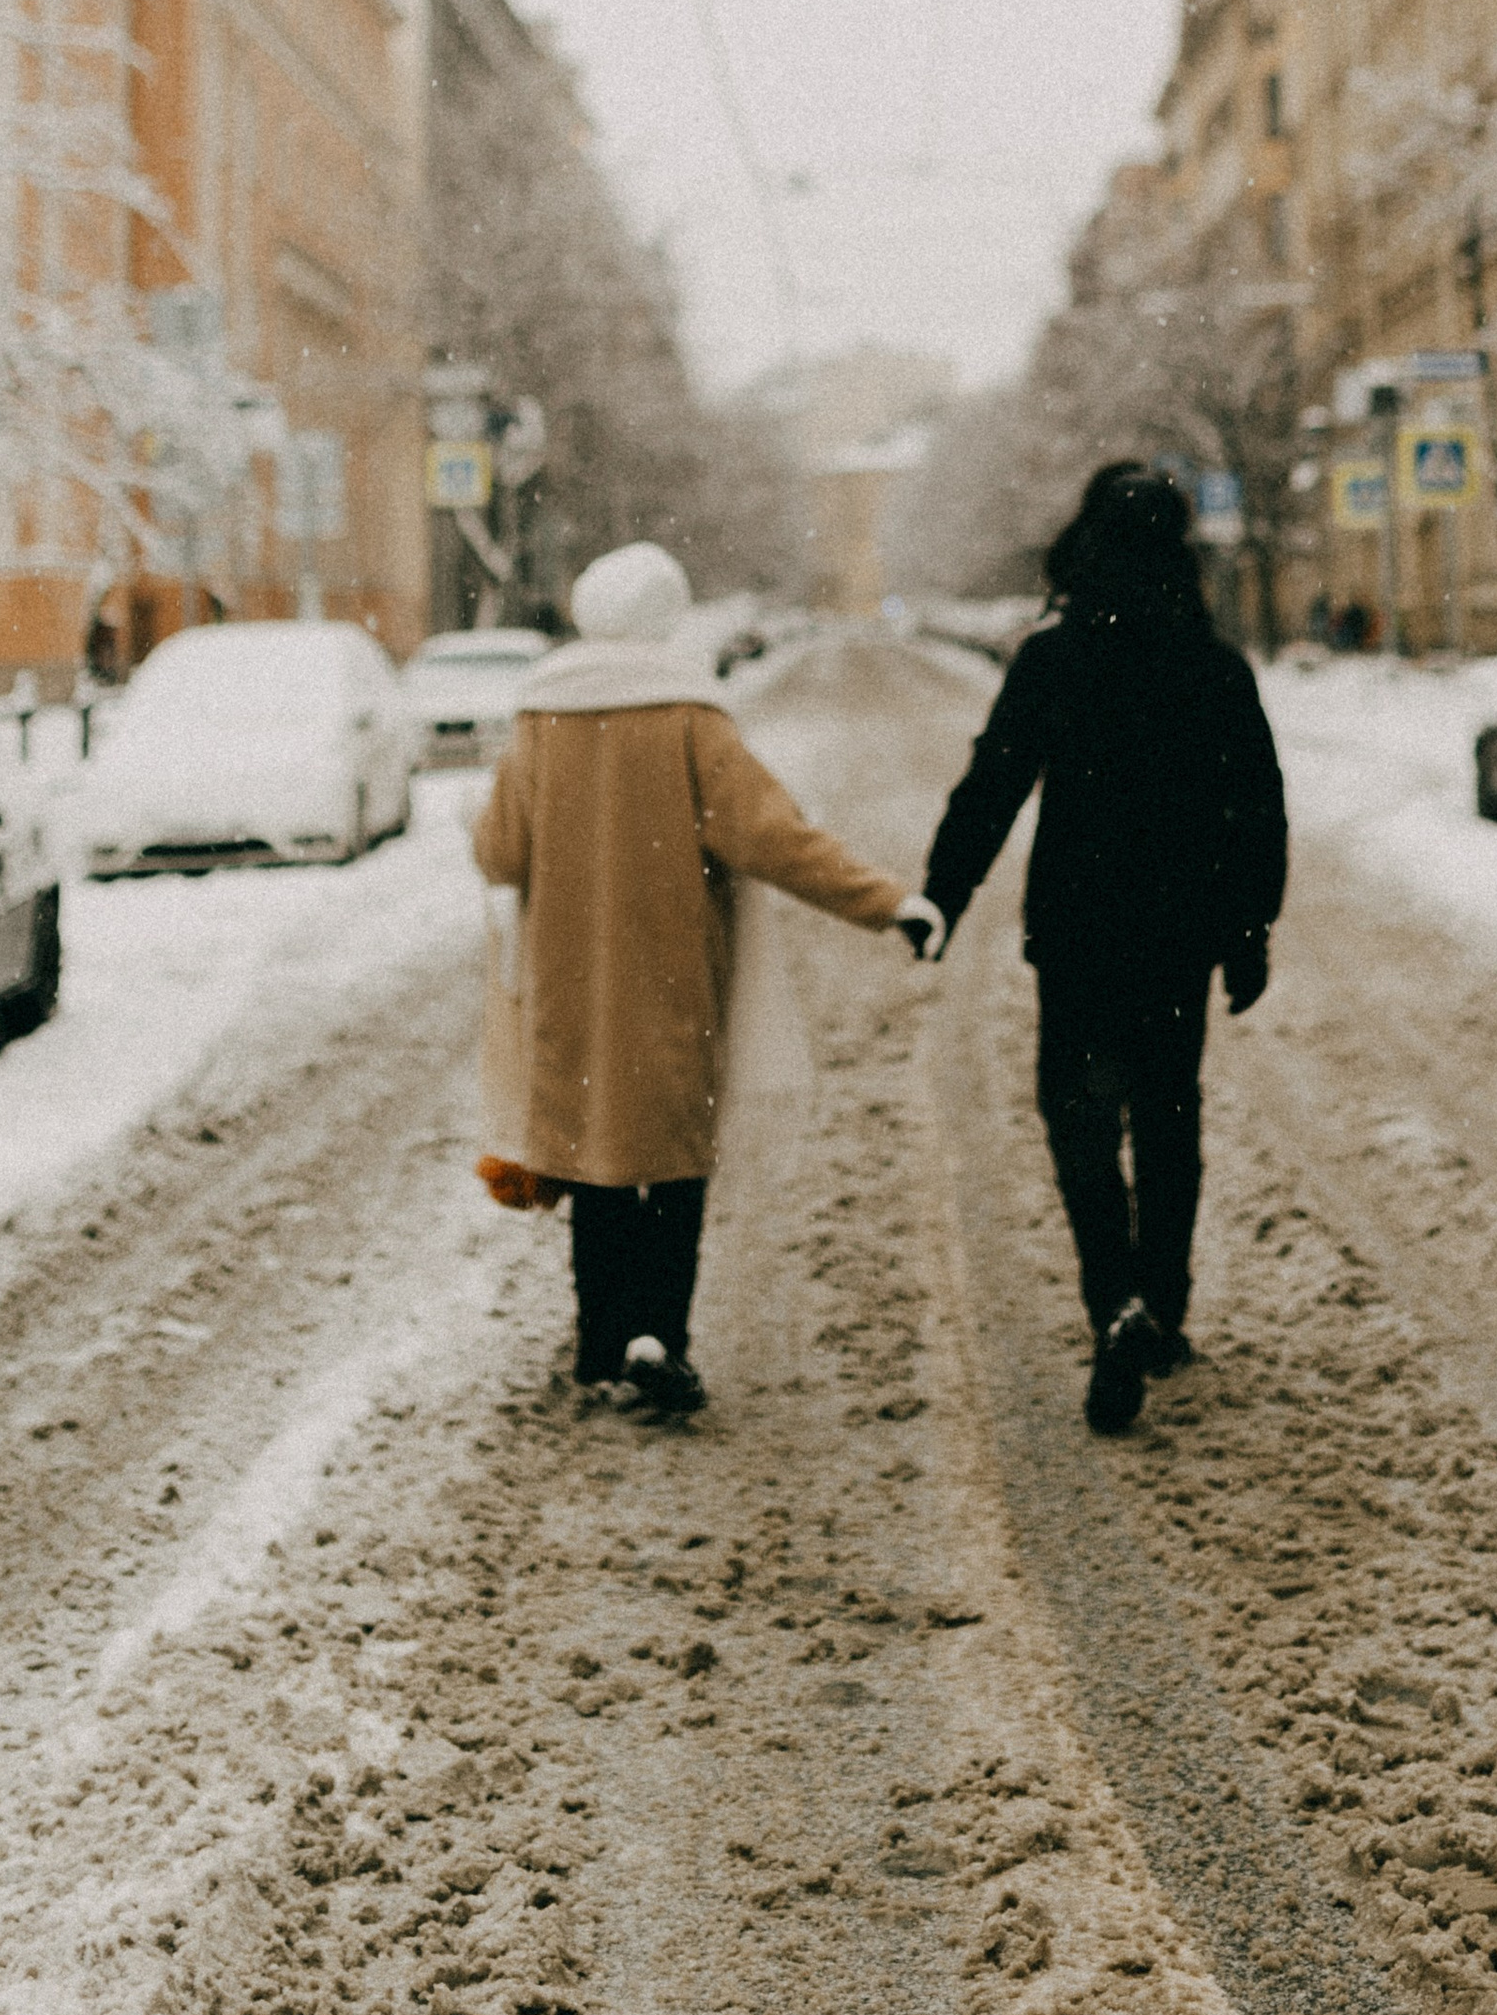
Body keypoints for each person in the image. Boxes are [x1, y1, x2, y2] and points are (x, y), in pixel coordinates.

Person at [473, 539, 941, 1414]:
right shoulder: (690, 714)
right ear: (665, 616)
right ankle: (660, 1333)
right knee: (672, 1158)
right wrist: (885, 903)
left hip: (568, 986)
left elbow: (498, 849)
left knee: (593, 1153)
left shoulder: (541, 716)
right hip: (672, 975)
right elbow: (775, 839)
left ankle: (602, 1341)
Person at [919, 464, 1288, 1434]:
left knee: (1080, 1121)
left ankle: (1111, 1295)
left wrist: (942, 897)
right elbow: (1256, 807)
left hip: (1079, 933)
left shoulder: (1054, 659)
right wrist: (1249, 930)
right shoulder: (1213, 668)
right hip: (1180, 936)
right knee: (1169, 1120)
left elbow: (991, 786)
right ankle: (1161, 1310)